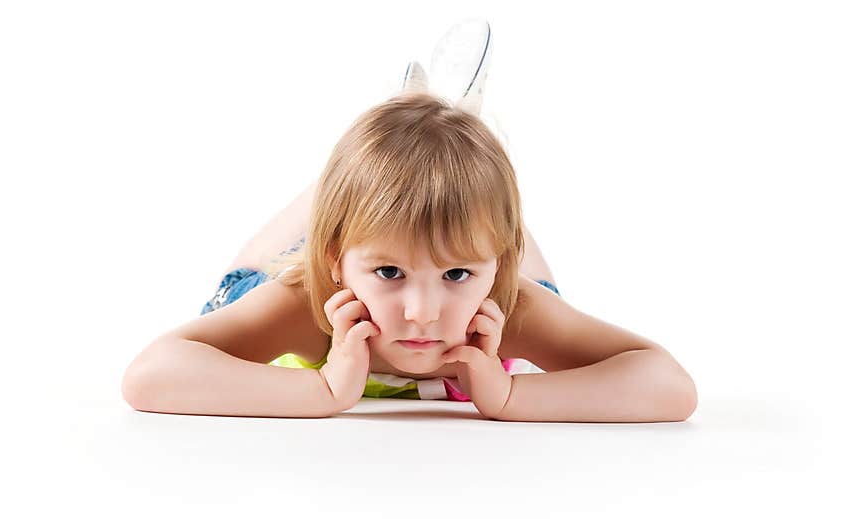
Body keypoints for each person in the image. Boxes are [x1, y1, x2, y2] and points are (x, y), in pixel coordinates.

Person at [122, 19, 697, 422]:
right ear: (337, 264)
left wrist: (511, 396)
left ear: (497, 268)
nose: (422, 313)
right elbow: (150, 374)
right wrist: (322, 389)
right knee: (321, 217)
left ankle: (447, 128)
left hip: (492, 285)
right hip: (298, 270)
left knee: (487, 218)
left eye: (455, 275)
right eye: (390, 273)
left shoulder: (506, 298)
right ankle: (396, 124)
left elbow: (670, 386)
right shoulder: (305, 300)